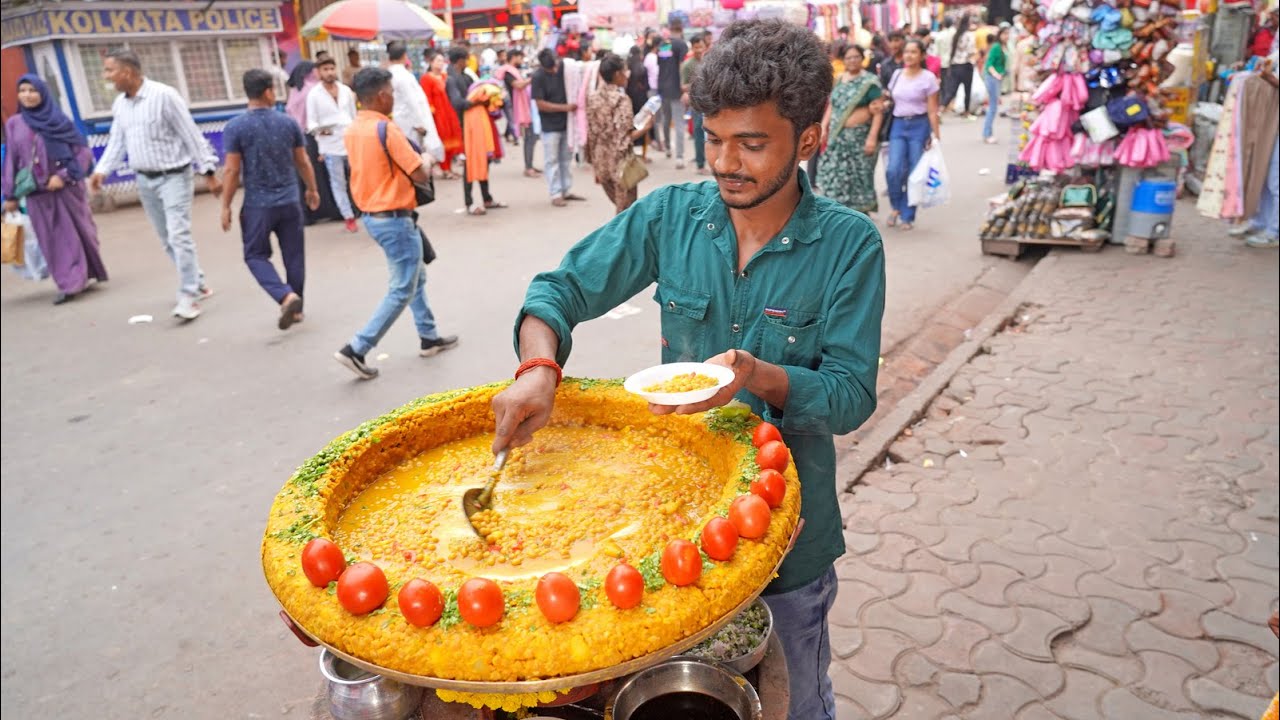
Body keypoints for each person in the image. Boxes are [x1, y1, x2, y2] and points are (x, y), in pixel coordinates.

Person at [490, 21, 883, 720]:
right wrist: (538, 366)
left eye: (751, 144)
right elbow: (558, 292)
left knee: (796, 699)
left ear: (807, 141)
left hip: (789, 541)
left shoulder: (850, 245)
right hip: (678, 529)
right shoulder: (671, 216)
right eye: (713, 138)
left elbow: (852, 396)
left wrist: (759, 375)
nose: (726, 162)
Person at [334, 67, 458, 379]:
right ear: (381, 96)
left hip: (374, 217)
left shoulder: (353, 129)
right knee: (402, 288)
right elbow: (419, 172)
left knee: (415, 278)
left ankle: (429, 336)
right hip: (394, 218)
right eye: (391, 93)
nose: (393, 98)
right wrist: (428, 157)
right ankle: (356, 348)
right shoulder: (385, 129)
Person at [89, 48, 220, 321]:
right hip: (144, 180)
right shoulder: (120, 105)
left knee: (179, 235)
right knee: (167, 239)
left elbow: (190, 134)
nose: (106, 76)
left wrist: (208, 170)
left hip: (174, 176)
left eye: (110, 70)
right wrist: (102, 170)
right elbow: (117, 141)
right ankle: (197, 281)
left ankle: (188, 296)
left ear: (127, 72)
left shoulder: (164, 96)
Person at [219, 69, 321, 330]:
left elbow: (231, 170)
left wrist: (226, 205)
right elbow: (302, 161)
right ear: (267, 92)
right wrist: (311, 189)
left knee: (255, 255)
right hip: (290, 200)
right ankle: (297, 309)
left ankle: (286, 296)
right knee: (294, 255)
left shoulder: (235, 127)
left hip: (257, 205)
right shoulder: (288, 123)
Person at [2, 73, 108, 304]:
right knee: (55, 239)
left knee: (82, 233)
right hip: (36, 193)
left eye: (32, 90)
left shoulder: (59, 120)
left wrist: (63, 176)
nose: (27, 95)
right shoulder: (14, 124)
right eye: (23, 91)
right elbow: (11, 159)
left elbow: (82, 152)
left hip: (67, 190)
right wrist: (9, 194)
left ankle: (87, 273)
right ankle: (70, 283)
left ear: (43, 93)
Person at [817, 45, 884, 214]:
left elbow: (878, 112)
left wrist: (872, 138)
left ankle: (859, 214)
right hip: (837, 137)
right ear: (843, 60)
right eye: (848, 58)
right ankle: (837, 212)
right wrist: (823, 126)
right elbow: (832, 105)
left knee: (858, 176)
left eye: (856, 57)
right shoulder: (840, 79)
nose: (852, 60)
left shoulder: (870, 82)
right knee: (834, 173)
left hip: (859, 138)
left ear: (862, 59)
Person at [586, 52, 655, 213]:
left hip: (601, 161)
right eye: (625, 71)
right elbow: (624, 139)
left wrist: (594, 163)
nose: (627, 75)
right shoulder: (621, 100)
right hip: (621, 165)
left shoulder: (592, 98)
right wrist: (646, 128)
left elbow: (591, 135)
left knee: (621, 209)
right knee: (626, 214)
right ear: (617, 74)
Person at [884, 39, 941, 231]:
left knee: (914, 172)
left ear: (922, 55)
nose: (909, 56)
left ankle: (907, 215)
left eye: (914, 52)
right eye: (906, 52)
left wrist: (936, 136)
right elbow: (890, 98)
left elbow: (932, 110)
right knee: (893, 169)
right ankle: (896, 206)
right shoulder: (897, 75)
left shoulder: (928, 78)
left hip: (919, 125)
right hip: (898, 125)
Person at [446, 47, 503, 215]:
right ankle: (469, 202)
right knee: (470, 163)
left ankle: (487, 198)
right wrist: (477, 101)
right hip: (464, 127)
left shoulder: (465, 76)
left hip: (477, 124)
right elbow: (458, 102)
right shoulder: (452, 79)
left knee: (484, 159)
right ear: (460, 60)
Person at [306, 56, 359, 233]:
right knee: (338, 183)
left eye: (331, 68)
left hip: (350, 141)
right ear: (319, 73)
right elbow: (311, 122)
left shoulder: (345, 91)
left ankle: (364, 209)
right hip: (330, 145)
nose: (329, 72)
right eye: (325, 69)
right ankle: (348, 217)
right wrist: (320, 131)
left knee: (358, 178)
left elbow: (353, 116)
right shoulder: (314, 95)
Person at [531, 48, 582, 207]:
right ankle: (555, 193)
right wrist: (564, 108)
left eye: (555, 66)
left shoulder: (565, 69)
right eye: (550, 68)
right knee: (551, 160)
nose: (554, 70)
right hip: (550, 126)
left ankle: (566, 189)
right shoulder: (538, 77)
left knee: (566, 159)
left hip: (566, 123)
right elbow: (540, 104)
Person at [386, 41, 445, 166]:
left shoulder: (390, 74)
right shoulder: (403, 75)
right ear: (404, 56)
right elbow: (412, 101)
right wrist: (419, 124)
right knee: (414, 157)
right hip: (410, 123)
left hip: (402, 120)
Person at [421, 50, 464, 180]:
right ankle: (445, 169)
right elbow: (426, 98)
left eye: (442, 61)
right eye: (437, 61)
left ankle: (449, 168)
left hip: (449, 112)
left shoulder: (445, 77)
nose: (440, 63)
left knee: (452, 138)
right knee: (442, 141)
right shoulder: (426, 78)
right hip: (438, 114)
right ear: (431, 62)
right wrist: (431, 115)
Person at [496, 49, 539, 177]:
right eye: (520, 58)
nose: (521, 61)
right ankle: (528, 167)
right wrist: (532, 79)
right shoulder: (508, 72)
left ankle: (529, 165)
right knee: (529, 137)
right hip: (518, 108)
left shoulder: (512, 70)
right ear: (514, 57)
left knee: (531, 137)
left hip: (522, 107)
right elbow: (518, 85)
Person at [656, 20, 691, 167]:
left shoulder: (664, 44)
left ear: (670, 29)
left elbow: (661, 65)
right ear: (681, 29)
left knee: (666, 119)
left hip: (663, 87)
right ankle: (679, 157)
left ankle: (668, 148)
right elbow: (682, 66)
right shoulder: (682, 45)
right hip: (677, 88)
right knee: (678, 123)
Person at [681, 32, 710, 175]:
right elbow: (683, 86)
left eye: (701, 46)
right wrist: (697, 84)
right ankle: (700, 164)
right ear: (692, 48)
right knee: (699, 131)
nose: (699, 50)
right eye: (696, 47)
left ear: (705, 46)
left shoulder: (709, 61)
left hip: (710, 102)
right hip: (696, 102)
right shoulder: (688, 65)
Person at [943, 15, 977, 117]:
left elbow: (951, 50)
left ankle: (941, 109)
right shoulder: (969, 35)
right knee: (967, 89)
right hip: (966, 65)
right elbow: (971, 50)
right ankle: (966, 111)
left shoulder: (956, 35)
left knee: (952, 90)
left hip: (955, 65)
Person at [982, 27, 1009, 143]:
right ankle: (987, 134)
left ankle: (988, 133)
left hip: (996, 78)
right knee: (993, 107)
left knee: (993, 106)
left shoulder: (1003, 47)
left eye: (1008, 34)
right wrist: (996, 74)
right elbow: (989, 64)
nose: (1007, 36)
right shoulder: (996, 47)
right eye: (1005, 34)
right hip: (992, 79)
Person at [626, 46, 653, 161]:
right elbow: (647, 86)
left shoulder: (627, 67)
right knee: (643, 126)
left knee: (630, 127)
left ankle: (631, 153)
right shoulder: (643, 68)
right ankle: (644, 155)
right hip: (641, 99)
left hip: (630, 100)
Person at [935, 17, 956, 98]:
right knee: (951, 83)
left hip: (942, 62)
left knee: (944, 83)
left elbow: (936, 52)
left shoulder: (939, 35)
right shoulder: (954, 34)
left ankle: (944, 99)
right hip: (953, 62)